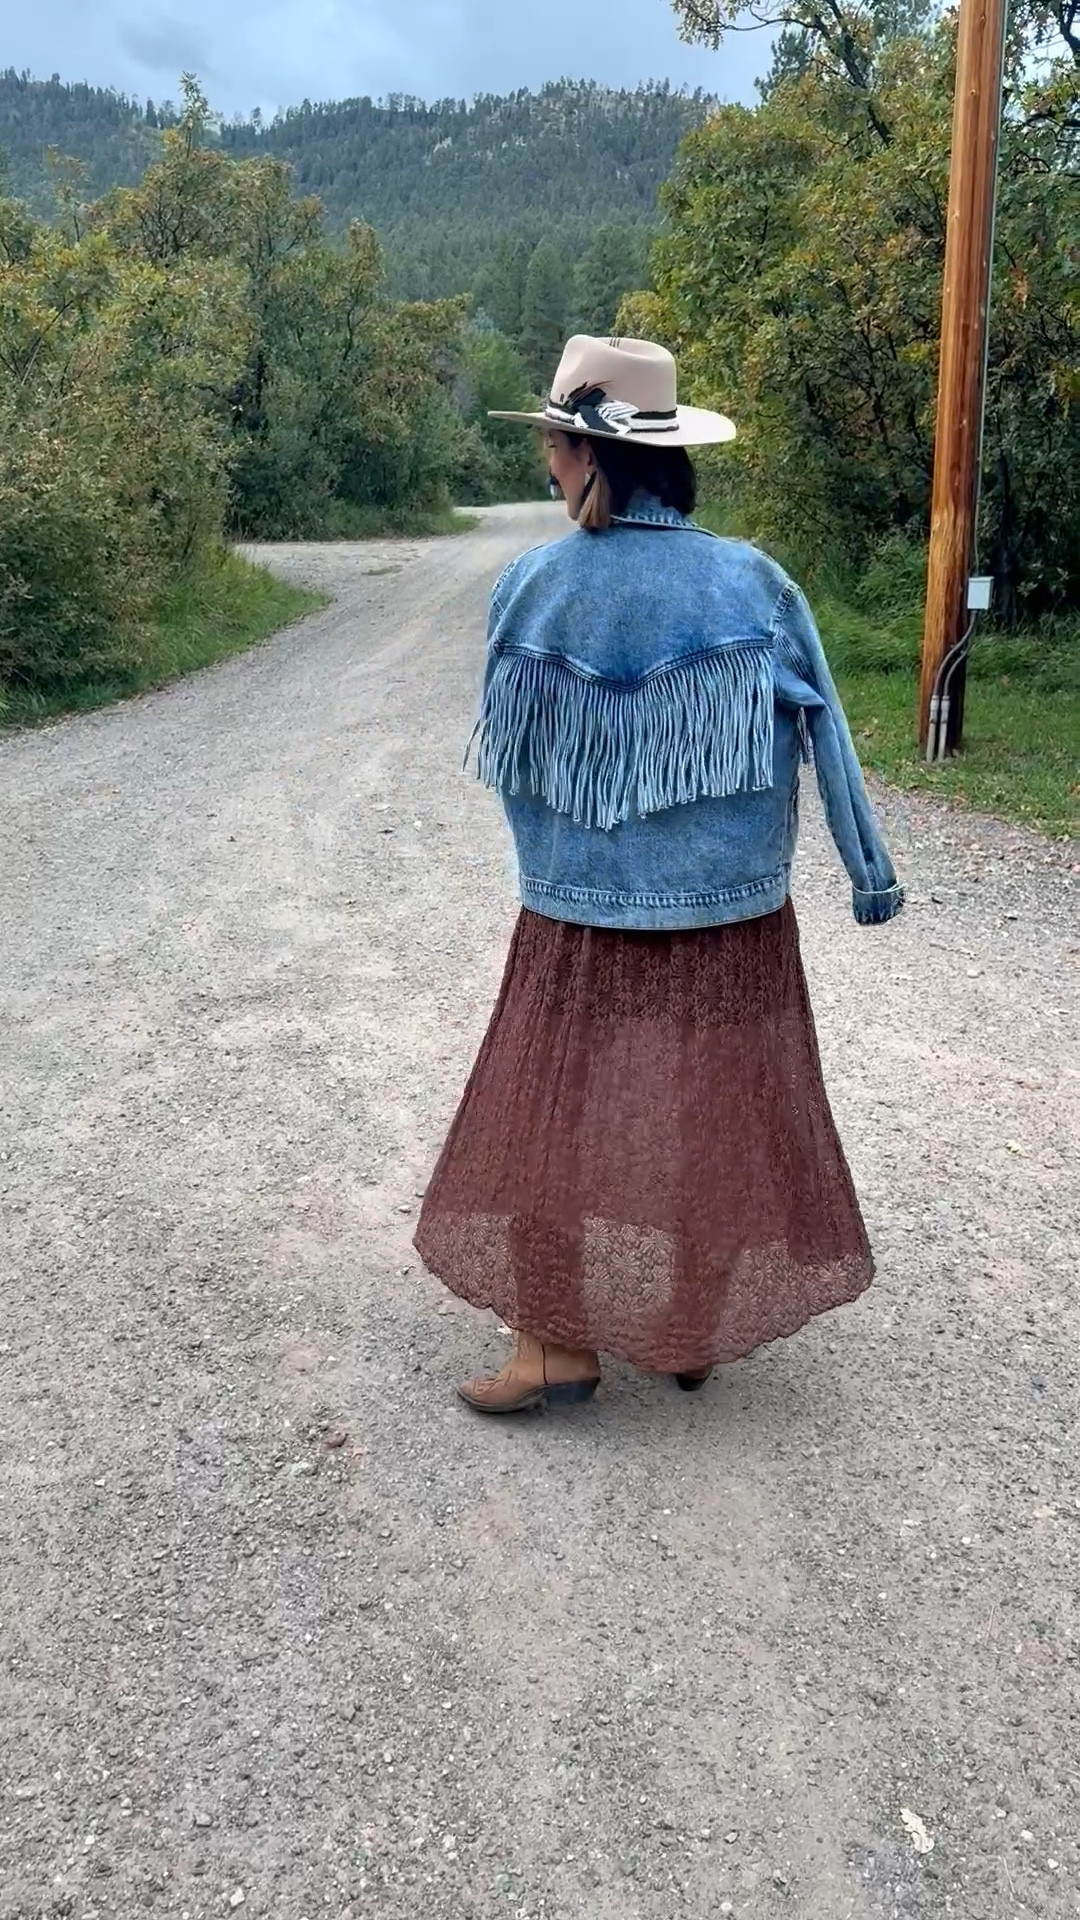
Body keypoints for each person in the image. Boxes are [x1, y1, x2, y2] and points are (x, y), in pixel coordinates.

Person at [414, 336, 903, 1414]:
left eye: (553, 442)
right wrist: (868, 873)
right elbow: (829, 737)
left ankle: (555, 1348)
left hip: (575, 913)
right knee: (713, 1105)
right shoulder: (752, 581)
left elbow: (517, 766)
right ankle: (692, 1332)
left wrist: (568, 863)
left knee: (553, 1110)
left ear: (589, 456)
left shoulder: (528, 588)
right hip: (730, 913)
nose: (548, 460)